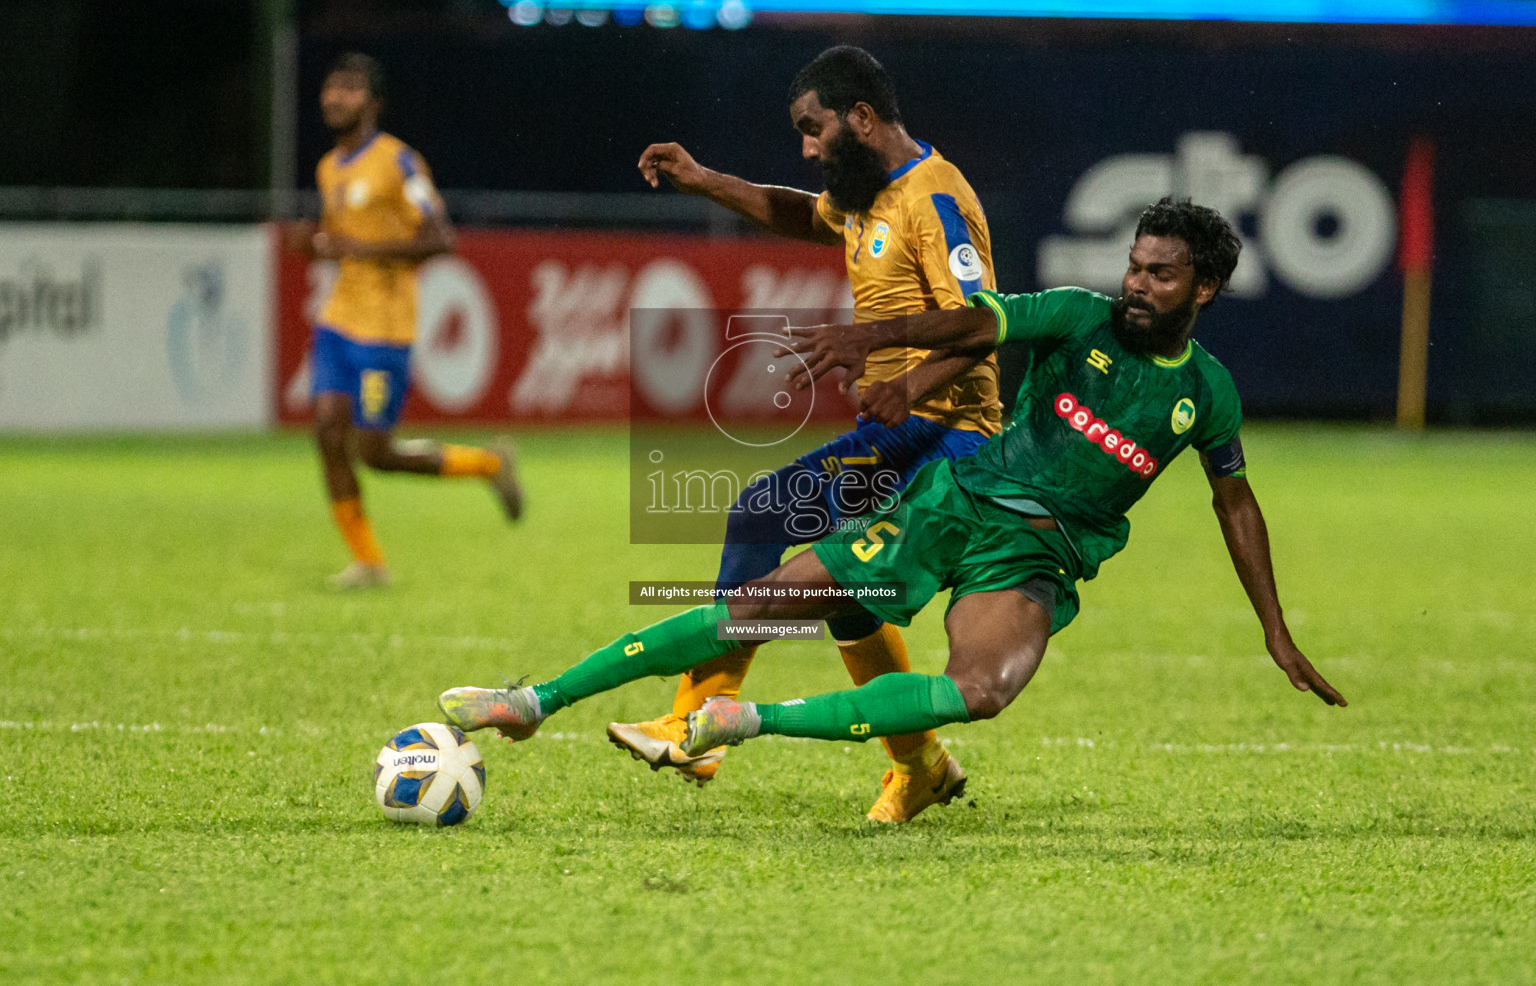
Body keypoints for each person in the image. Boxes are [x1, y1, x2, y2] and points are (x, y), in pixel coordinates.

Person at [436, 199, 1347, 817]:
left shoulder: (1208, 392)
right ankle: (532, 700)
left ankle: (747, 722)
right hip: (954, 505)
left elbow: (1236, 502)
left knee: (983, 691)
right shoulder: (1078, 317)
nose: (1137, 284)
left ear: (1205, 290)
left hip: (1035, 560)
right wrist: (876, 342)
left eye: (1160, 275)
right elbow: (971, 324)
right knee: (762, 606)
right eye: (1136, 266)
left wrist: (1276, 629)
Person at [615, 45, 1003, 822]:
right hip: (905, 426)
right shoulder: (867, 194)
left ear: (861, 118)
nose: (807, 147)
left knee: (768, 515)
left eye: (813, 128)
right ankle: (921, 762)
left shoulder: (935, 200)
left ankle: (700, 719)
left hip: (953, 436)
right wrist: (705, 179)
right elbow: (801, 212)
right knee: (843, 590)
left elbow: (984, 321)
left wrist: (909, 383)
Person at [287, 52, 523, 590]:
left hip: (385, 330)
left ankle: (487, 463)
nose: (333, 97)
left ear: (372, 102)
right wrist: (316, 247)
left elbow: (441, 238)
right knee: (327, 431)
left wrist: (361, 248)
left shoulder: (400, 163)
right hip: (338, 321)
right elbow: (341, 246)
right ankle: (368, 562)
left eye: (347, 89)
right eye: (329, 87)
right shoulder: (329, 168)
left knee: (376, 453)